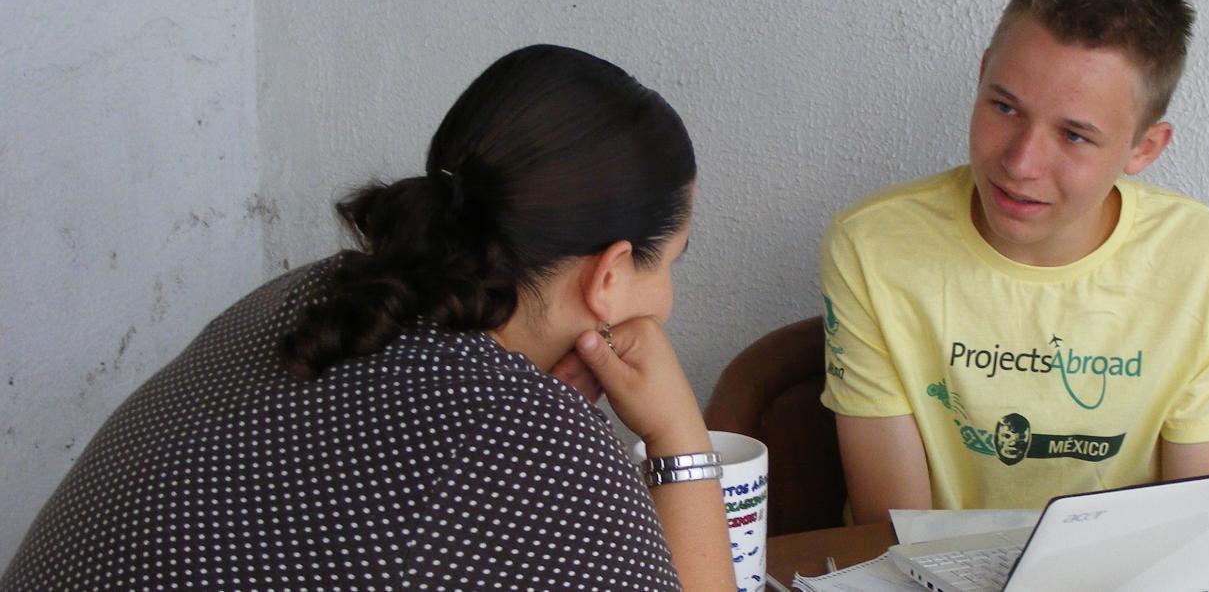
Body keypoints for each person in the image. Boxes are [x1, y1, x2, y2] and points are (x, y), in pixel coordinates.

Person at [1, 45, 735, 590]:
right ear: (608, 276)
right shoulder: (522, 440)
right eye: (670, 261)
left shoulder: (319, 295)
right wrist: (678, 436)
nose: (665, 297)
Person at [820, 0, 1209, 524]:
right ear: (981, 75)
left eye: (1073, 135)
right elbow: (892, 527)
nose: (1021, 162)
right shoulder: (872, 245)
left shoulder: (1203, 257)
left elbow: (1195, 519)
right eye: (1004, 107)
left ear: (1143, 149)